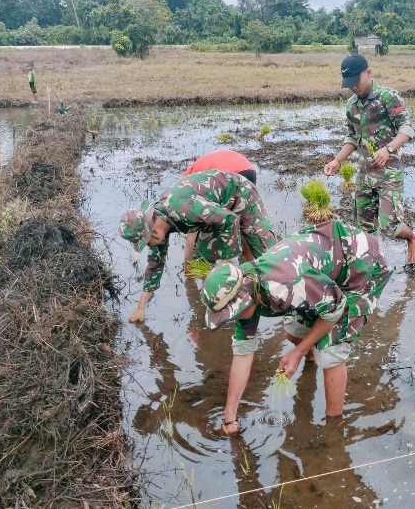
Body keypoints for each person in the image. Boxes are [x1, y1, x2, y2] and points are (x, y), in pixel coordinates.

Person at [200, 219, 394, 435]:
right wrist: (229, 417)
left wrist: (299, 352)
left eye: (231, 314)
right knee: (294, 333)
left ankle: (333, 428)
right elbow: (243, 353)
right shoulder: (245, 290)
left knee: (330, 351)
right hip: (321, 272)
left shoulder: (284, 285)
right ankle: (310, 356)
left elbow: (336, 307)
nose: (231, 319)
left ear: (243, 298)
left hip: (360, 264)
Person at [119, 169, 277, 323]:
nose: (149, 246)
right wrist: (140, 308)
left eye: (146, 242)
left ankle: (285, 301)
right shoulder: (158, 224)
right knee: (201, 261)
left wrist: (226, 261)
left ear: (153, 231)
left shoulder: (183, 207)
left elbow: (229, 219)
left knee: (270, 258)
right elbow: (155, 265)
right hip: (214, 215)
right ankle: (223, 301)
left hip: (240, 194)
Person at [323, 53, 415, 266]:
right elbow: (352, 137)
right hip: (365, 174)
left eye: (355, 82)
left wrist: (388, 148)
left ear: (368, 73)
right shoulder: (352, 105)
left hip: (389, 174)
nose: (352, 88)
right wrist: (337, 161)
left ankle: (413, 236)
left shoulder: (388, 97)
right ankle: (370, 270)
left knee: (390, 227)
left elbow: (408, 127)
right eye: (348, 84)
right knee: (362, 231)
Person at [182, 150, 258, 260]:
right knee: (244, 224)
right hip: (248, 171)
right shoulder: (198, 169)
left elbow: (192, 233)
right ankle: (248, 271)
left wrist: (188, 274)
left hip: (227, 175)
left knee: (219, 227)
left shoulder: (184, 187)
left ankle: (224, 268)